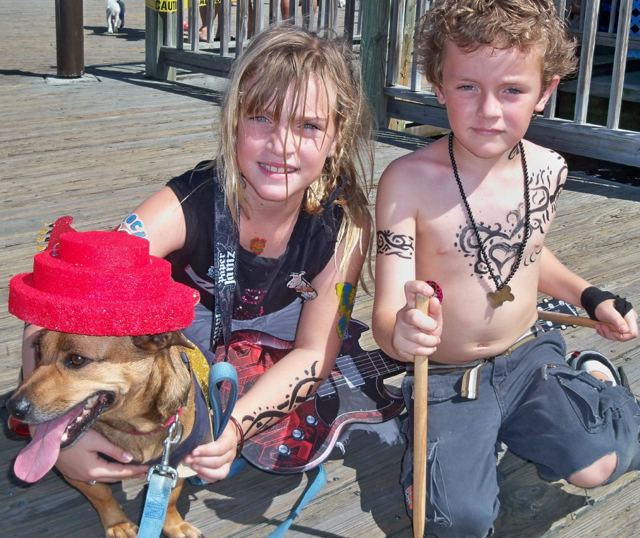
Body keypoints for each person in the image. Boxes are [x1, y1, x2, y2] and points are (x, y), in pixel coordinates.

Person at [20, 23, 374, 486]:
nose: (281, 144)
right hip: (195, 318)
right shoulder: (184, 205)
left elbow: (312, 351)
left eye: (308, 125)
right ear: (233, 119)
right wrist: (51, 433)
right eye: (261, 117)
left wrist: (236, 426)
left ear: (337, 137)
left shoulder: (346, 225)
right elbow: (56, 304)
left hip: (291, 321)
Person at [371, 1, 639, 537]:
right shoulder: (406, 181)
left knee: (599, 465)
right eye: (467, 86)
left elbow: (530, 256)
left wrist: (590, 295)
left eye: (512, 90)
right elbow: (385, 312)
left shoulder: (549, 169)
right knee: (462, 523)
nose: (489, 111)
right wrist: (400, 331)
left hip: (528, 353)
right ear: (439, 85)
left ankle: (591, 384)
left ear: (544, 91)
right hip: (446, 377)